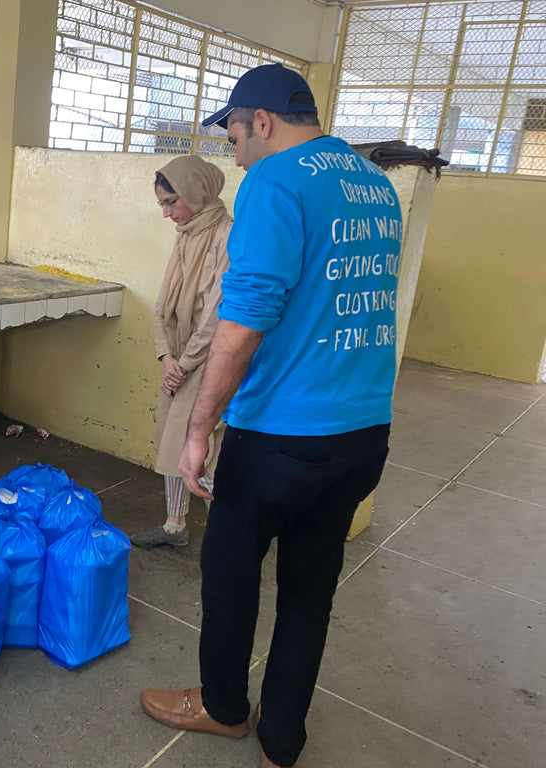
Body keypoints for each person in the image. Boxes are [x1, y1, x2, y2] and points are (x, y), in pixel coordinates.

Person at [138, 64, 402, 768]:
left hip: (283, 433)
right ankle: (281, 740)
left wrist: (199, 431)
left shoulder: (275, 182)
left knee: (229, 573)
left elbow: (244, 319)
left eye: (231, 126)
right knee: (310, 591)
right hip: (364, 429)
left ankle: (225, 707)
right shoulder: (374, 186)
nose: (230, 143)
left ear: (262, 120)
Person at [131, 156, 231, 548]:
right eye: (162, 204)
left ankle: (226, 536)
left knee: (205, 448)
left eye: (172, 201)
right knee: (171, 441)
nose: (167, 213)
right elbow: (163, 304)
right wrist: (166, 356)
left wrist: (185, 363)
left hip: (210, 360)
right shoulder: (186, 235)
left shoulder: (228, 236)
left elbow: (219, 312)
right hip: (179, 360)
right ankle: (175, 526)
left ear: (196, 192)